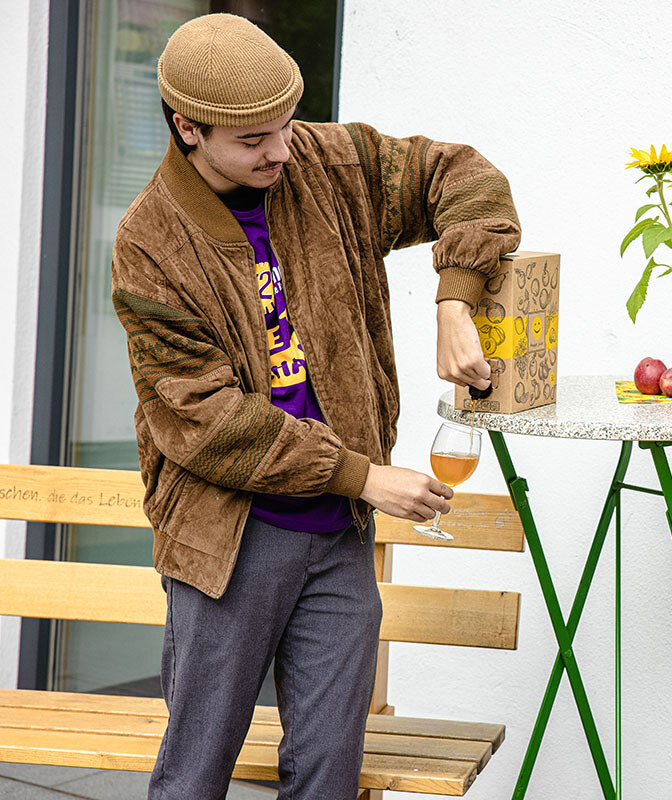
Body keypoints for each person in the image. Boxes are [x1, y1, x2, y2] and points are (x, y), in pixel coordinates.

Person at [110, 13, 520, 799]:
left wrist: (454, 299)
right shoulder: (149, 242)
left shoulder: (328, 163)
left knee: (327, 778)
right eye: (254, 139)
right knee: (194, 777)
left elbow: (467, 177)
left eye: (287, 126)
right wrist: (363, 477)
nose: (280, 151)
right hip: (231, 546)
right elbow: (207, 420)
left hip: (337, 542)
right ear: (188, 127)